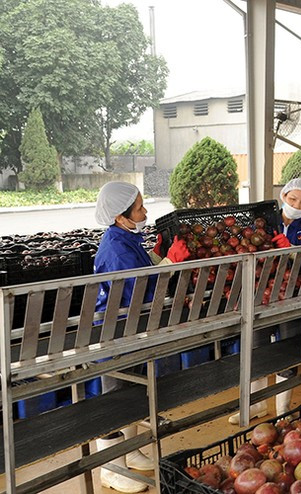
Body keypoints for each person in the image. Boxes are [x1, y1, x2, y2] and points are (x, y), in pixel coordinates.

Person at [93, 181, 189, 493]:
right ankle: (110, 468)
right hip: (115, 334)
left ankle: (129, 450)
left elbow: (143, 271)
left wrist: (159, 253)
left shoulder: (126, 238)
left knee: (132, 394)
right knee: (114, 400)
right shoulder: (117, 249)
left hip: (133, 331)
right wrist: (172, 262)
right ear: (120, 217)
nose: (145, 212)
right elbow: (141, 296)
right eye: (139, 208)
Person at [227, 178, 301, 425]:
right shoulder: (265, 223)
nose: (296, 205)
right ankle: (257, 404)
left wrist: (289, 249)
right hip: (260, 295)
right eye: (292, 199)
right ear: (283, 196)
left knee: (288, 348)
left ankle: (284, 409)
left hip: (291, 295)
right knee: (257, 348)